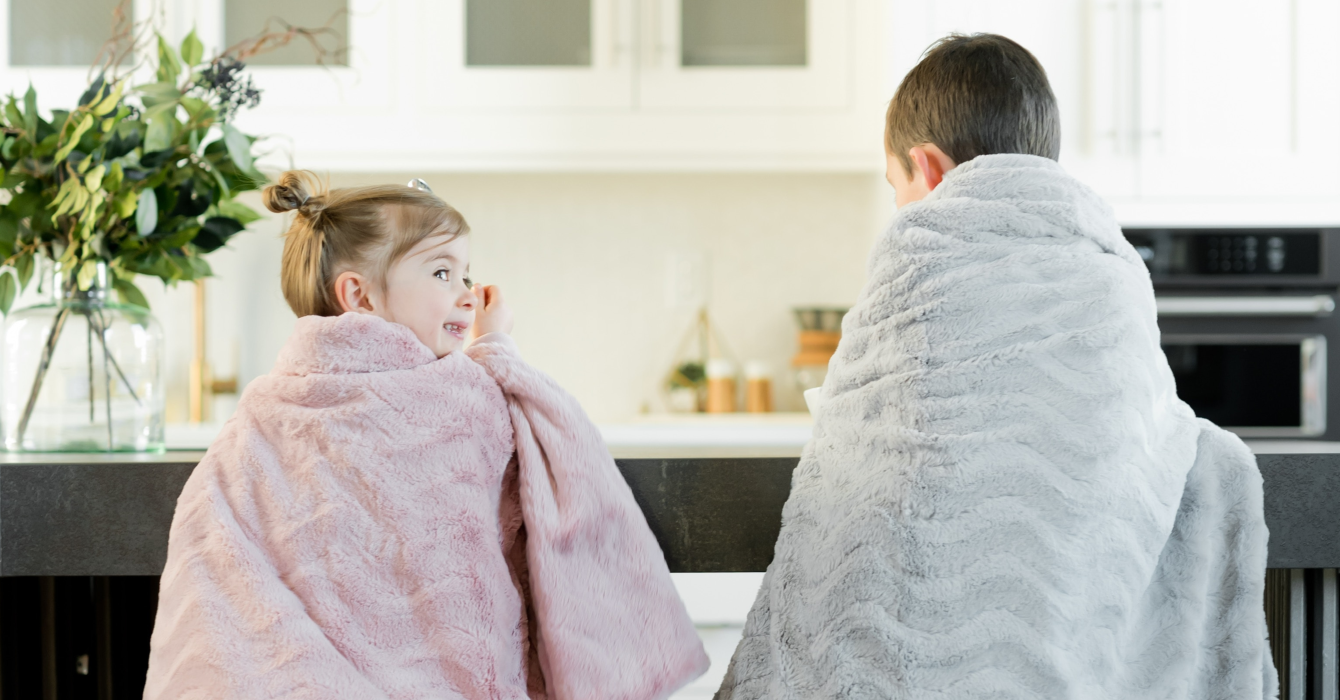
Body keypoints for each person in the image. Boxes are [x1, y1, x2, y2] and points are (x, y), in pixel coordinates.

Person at [717, 34, 1276, 699]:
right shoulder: (1111, 269)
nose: (900, 209)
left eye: (896, 187)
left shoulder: (918, 254)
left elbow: (866, 428)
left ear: (925, 169)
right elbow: (1149, 424)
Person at [144, 172, 707, 699]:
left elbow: (216, 561)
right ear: (358, 295)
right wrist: (497, 349)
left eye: (465, 273)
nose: (466, 292)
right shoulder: (472, 397)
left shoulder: (263, 412)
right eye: (442, 273)